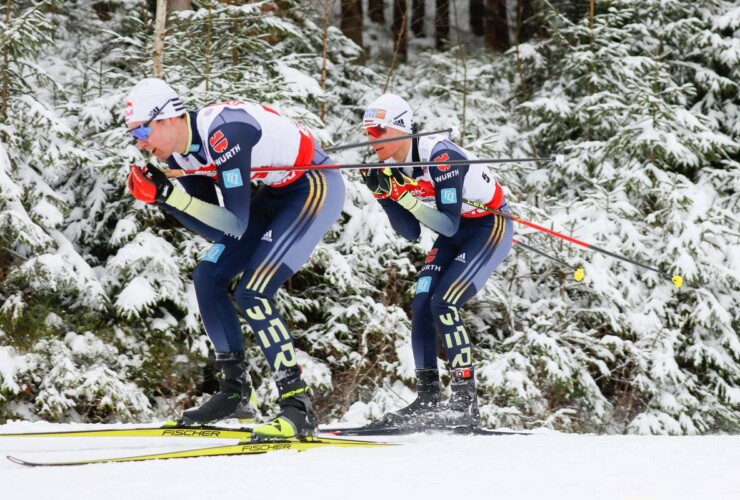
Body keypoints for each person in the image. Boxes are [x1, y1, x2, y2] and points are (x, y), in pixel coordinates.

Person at [123, 78, 345, 439]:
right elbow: (222, 231)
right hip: (277, 193)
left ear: (168, 119)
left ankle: (297, 406)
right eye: (133, 134)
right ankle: (234, 392)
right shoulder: (180, 152)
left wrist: (171, 196)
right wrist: (165, 198)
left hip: (314, 185)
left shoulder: (224, 133)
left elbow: (236, 221)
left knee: (252, 291)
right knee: (208, 276)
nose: (140, 142)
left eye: (143, 130)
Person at [360, 94, 513, 429]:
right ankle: (427, 397)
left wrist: (401, 195)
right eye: (367, 132)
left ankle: (464, 400)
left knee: (444, 302)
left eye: (378, 131)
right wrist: (384, 196)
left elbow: (448, 223)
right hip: (456, 233)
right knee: (422, 304)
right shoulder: (392, 164)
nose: (372, 140)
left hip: (488, 226)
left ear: (400, 129)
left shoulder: (441, 157)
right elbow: (411, 232)